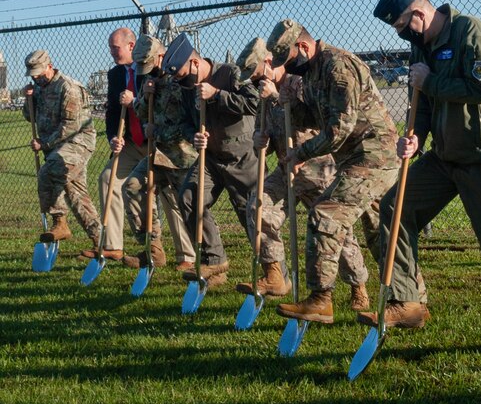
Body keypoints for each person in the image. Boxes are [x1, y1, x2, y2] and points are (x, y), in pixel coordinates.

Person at [369, 0, 481, 361]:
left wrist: (432, 82)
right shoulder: (421, 50)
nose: (403, 35)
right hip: (445, 156)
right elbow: (421, 104)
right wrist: (416, 136)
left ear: (419, 12)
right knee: (394, 208)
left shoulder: (471, 31)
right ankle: (407, 301)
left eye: (404, 26)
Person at [263, 21, 400, 325]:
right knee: (381, 232)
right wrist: (288, 105)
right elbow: (314, 116)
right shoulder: (312, 73)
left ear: (303, 47)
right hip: (353, 158)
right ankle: (408, 299)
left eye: (287, 60)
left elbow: (339, 128)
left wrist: (301, 152)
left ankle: (320, 300)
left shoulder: (337, 67)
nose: (287, 68)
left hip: (373, 155)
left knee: (325, 215)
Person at [234, 36, 377, 318]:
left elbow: (315, 120)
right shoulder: (261, 92)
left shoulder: (299, 81)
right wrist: (258, 139)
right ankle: (275, 274)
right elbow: (263, 133)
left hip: (315, 168)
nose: (253, 81)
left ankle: (358, 285)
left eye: (255, 74)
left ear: (268, 62)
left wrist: (276, 98)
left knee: (336, 232)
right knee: (258, 207)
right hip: (286, 168)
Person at [163, 34, 260, 289]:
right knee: (189, 197)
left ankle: (273, 271)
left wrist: (217, 95)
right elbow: (184, 120)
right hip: (210, 159)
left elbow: (254, 103)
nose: (182, 82)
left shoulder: (230, 74)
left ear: (195, 64)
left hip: (242, 159)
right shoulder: (187, 88)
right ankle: (214, 261)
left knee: (251, 214)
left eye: (183, 75)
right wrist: (193, 136)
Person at [121, 35, 198, 270]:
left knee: (185, 205)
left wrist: (158, 131)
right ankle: (152, 249)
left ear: (161, 57)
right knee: (132, 187)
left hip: (182, 157)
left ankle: (196, 256)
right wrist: (145, 97)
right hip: (158, 154)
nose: (148, 71)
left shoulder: (182, 79)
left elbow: (190, 124)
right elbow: (144, 115)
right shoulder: (150, 81)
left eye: (150, 65)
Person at [22, 50, 101, 256]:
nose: (35, 77)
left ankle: (60, 222)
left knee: (48, 172)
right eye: (32, 74)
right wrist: (27, 99)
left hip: (77, 142)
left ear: (50, 66)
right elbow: (30, 117)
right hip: (56, 147)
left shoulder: (68, 87)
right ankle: (101, 242)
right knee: (76, 193)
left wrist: (44, 143)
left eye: (38, 73)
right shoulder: (38, 88)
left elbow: (70, 127)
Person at [89, 27, 146, 261]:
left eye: (115, 47)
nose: (112, 52)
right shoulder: (115, 75)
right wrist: (114, 137)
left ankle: (185, 254)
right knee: (106, 179)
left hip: (154, 141)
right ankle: (113, 245)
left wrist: (136, 101)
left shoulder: (149, 71)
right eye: (110, 48)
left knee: (166, 193)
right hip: (130, 143)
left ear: (131, 46)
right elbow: (112, 112)